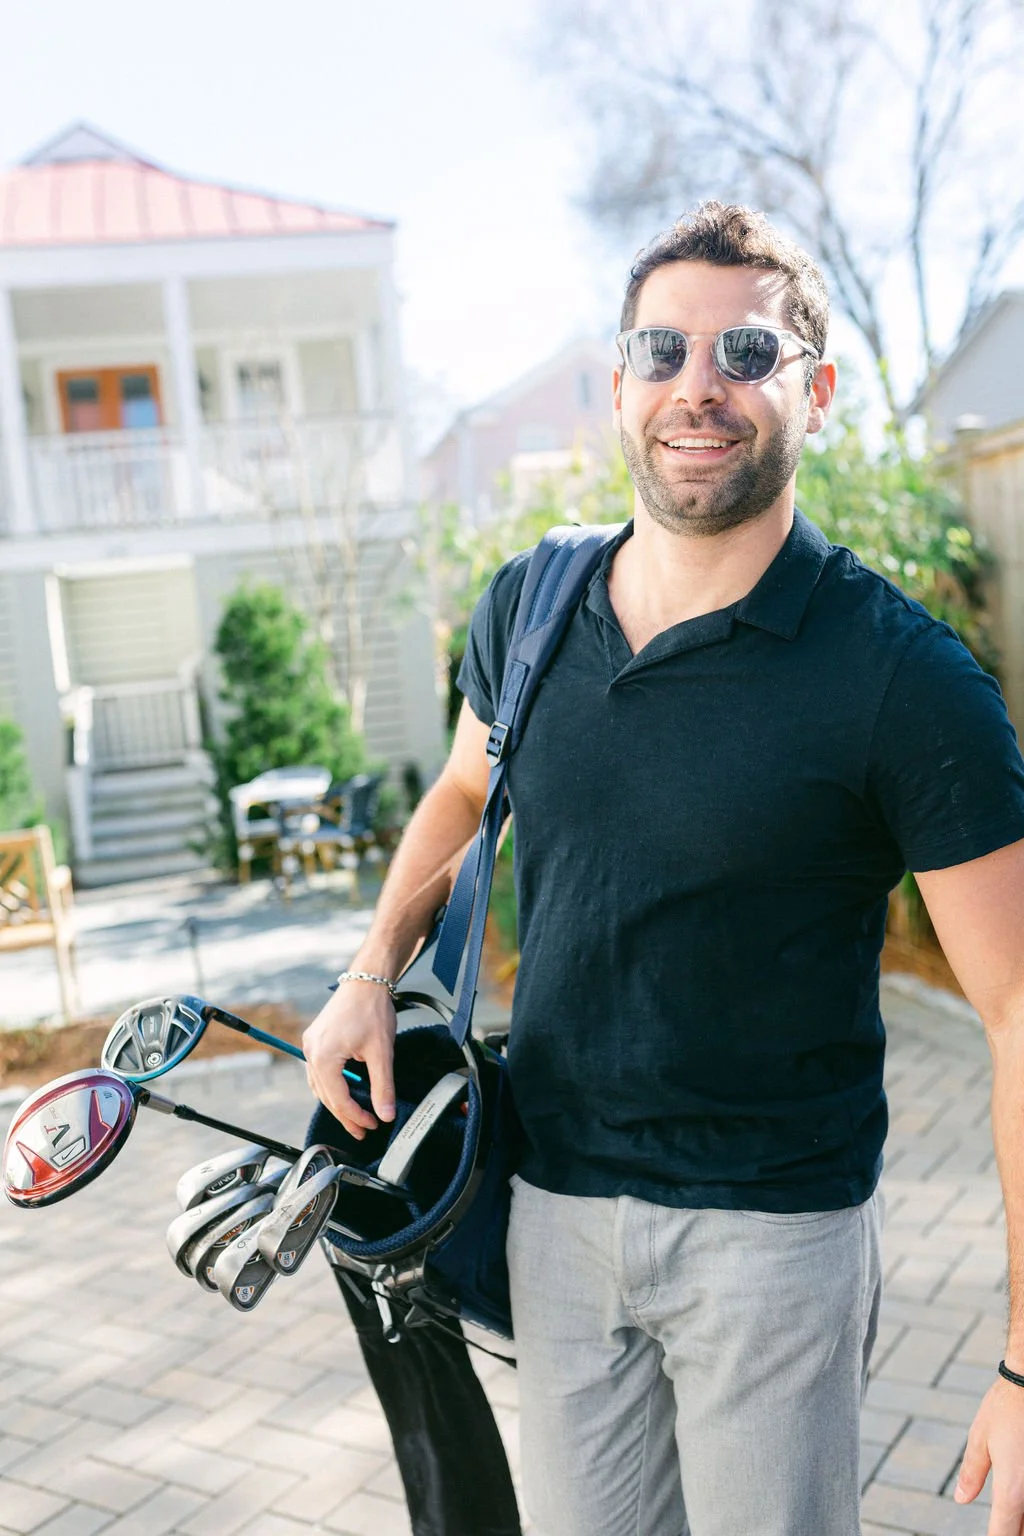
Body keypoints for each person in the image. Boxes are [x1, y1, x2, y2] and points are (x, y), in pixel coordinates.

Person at [304, 201, 1024, 1536]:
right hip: (555, 1211)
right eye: (662, 351)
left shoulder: (903, 679)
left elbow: (1017, 1009)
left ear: (814, 393)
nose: (698, 387)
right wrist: (367, 973)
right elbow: (462, 792)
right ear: (620, 384)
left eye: (746, 354)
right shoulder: (533, 607)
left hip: (774, 1243)